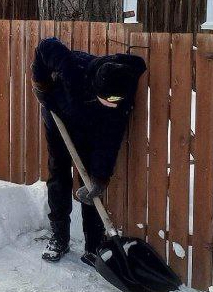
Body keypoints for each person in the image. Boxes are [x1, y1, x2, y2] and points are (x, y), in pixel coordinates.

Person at [30, 36, 147, 264]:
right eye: (107, 99)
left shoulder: (122, 88)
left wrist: (100, 179)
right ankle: (59, 237)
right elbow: (46, 46)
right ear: (96, 89)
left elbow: (110, 140)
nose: (113, 104)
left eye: (116, 101)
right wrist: (40, 83)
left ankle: (93, 246)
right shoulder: (74, 69)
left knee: (91, 188)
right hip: (59, 119)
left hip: (90, 131)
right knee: (59, 175)